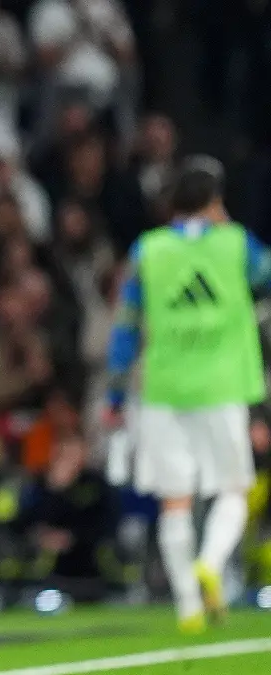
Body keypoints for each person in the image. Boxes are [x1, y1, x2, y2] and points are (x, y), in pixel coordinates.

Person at [106, 157, 268, 632]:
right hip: (222, 385)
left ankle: (188, 608)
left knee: (174, 499)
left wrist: (115, 394)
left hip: (163, 387)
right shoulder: (238, 244)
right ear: (217, 201)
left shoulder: (148, 250)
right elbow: (265, 278)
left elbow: (125, 327)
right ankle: (212, 564)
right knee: (233, 489)